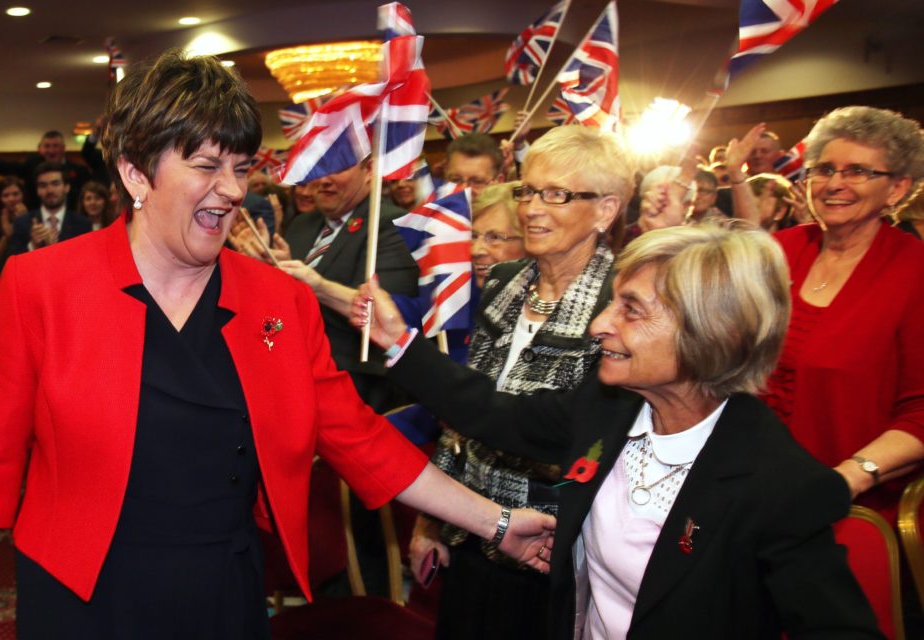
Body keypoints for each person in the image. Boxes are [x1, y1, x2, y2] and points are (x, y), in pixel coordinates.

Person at [0, 50, 554, 640]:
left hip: (223, 591)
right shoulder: (41, 286)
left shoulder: (279, 302)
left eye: (242, 167)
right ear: (137, 174)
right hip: (82, 595)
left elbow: (361, 440)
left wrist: (498, 524)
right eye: (206, 166)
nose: (231, 189)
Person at [354, 222, 882, 640]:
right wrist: (400, 343)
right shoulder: (609, 407)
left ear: (714, 333)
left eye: (631, 310)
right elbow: (496, 414)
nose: (599, 324)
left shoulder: (780, 485)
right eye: (612, 302)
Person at [406, 125, 630, 640]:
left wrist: (403, 351)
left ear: (605, 210)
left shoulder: (619, 305)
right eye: (528, 190)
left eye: (557, 195)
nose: (531, 208)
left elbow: (568, 439)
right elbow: (463, 415)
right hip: (471, 534)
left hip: (554, 554)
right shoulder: (506, 283)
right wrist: (430, 521)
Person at [756, 106, 924, 521]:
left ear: (897, 188)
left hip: (852, 511)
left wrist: (849, 477)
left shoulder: (915, 271)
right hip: (750, 492)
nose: (835, 184)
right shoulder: (779, 251)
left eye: (858, 172)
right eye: (824, 169)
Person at [232, 158, 419, 412]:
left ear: (368, 171)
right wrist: (268, 267)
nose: (324, 180)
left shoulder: (392, 223)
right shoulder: (303, 224)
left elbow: (389, 314)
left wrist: (317, 285)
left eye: (337, 167)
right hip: (291, 362)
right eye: (318, 169)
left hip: (358, 378)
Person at [0, 130, 92, 209]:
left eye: (55, 146)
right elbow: (11, 168)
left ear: (63, 148)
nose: (51, 151)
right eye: (47, 146)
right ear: (41, 149)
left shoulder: (79, 170)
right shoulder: (32, 164)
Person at [8, 162, 93, 255]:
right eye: (43, 185)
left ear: (67, 187)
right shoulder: (22, 223)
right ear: (37, 190)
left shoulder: (82, 224)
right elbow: (14, 260)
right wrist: (33, 246)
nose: (50, 190)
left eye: (55, 184)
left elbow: (87, 259)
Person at [0, 176, 28, 287]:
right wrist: (6, 237)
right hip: (1, 280)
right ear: (0, 199)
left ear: (23, 195)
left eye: (16, 194)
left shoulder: (34, 220)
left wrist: (24, 223)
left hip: (26, 278)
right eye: (6, 195)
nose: (11, 199)